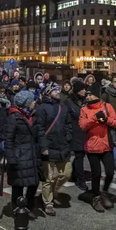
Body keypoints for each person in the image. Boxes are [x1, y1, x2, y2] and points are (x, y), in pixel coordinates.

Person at [79, 89, 116, 212]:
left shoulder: (107, 106)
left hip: (106, 145)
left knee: (110, 172)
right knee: (96, 174)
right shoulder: (84, 109)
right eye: (88, 94)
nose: (89, 97)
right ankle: (96, 197)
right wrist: (94, 118)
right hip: (92, 146)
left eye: (91, 94)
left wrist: (106, 119)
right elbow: (82, 125)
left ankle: (105, 192)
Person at [34, 83, 73, 216]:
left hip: (62, 145)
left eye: (58, 89)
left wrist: (68, 137)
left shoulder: (63, 106)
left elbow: (68, 123)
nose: (58, 91)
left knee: (66, 173)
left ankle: (53, 191)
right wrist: (43, 146)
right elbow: (39, 128)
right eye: (55, 90)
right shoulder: (42, 108)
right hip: (49, 146)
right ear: (47, 92)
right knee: (47, 177)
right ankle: (48, 202)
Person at [4, 90, 40, 218]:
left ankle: (29, 206)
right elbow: (8, 139)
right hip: (19, 156)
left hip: (32, 154)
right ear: (26, 103)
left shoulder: (32, 115)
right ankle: (17, 208)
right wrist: (11, 157)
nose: (34, 102)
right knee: (18, 185)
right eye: (32, 101)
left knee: (33, 183)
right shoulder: (14, 117)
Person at [65, 80, 88, 191]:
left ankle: (74, 174)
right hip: (75, 132)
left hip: (85, 132)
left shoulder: (86, 101)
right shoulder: (69, 102)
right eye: (82, 89)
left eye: (85, 89)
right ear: (77, 90)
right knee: (79, 155)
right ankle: (81, 180)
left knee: (81, 155)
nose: (85, 91)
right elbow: (66, 119)